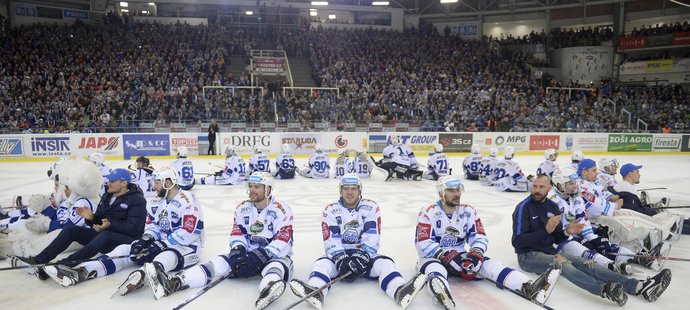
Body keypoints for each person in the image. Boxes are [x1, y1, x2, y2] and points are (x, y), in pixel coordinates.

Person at [40, 167, 204, 297]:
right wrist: (147, 239)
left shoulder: (188, 200)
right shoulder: (155, 202)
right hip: (160, 242)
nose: (153, 186)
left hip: (187, 246)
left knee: (167, 255)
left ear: (169, 182)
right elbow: (152, 224)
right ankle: (82, 271)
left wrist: (163, 244)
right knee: (127, 250)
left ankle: (145, 274)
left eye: (157, 182)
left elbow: (190, 231)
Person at [512, 175, 671, 306]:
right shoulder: (523, 208)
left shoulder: (552, 207)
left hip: (550, 251)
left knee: (586, 263)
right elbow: (518, 243)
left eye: (541, 187)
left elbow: (556, 237)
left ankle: (638, 286)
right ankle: (604, 289)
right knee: (563, 264)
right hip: (528, 256)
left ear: (548, 188)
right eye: (535, 186)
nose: (537, 190)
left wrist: (567, 232)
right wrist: (545, 230)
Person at [147, 172, 294, 310]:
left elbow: (284, 238)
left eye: (256, 187)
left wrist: (262, 255)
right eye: (250, 186)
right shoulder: (243, 208)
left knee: (275, 267)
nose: (251, 190)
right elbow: (238, 232)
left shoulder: (281, 210)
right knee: (217, 263)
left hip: (274, 255)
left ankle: (268, 289)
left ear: (268, 189)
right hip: (248, 254)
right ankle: (178, 282)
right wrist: (238, 250)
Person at [415, 176, 561, 309]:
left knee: (490, 265)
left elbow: (479, 236)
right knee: (435, 270)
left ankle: (528, 286)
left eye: (458, 190)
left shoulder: (468, 211)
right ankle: (442, 294)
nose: (456, 194)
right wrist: (444, 255)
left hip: (460, 257)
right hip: (433, 257)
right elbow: (423, 243)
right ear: (441, 193)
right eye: (451, 190)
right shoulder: (428, 211)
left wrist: (475, 253)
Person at [289, 174, 427, 309]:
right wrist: (341, 259)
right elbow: (331, 238)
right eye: (346, 188)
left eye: (354, 188)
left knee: (386, 264)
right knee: (320, 265)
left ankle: (400, 291)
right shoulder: (330, 209)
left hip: (363, 257)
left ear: (360, 190)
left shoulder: (371, 207)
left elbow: (372, 235)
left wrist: (361, 256)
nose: (349, 192)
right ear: (340, 191)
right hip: (339, 257)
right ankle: (316, 292)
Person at [13, 168, 147, 275]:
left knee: (105, 235)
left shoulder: (137, 200)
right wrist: (91, 218)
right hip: (104, 236)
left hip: (127, 241)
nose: (108, 183)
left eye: (112, 181)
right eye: (108, 180)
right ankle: (39, 260)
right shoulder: (107, 195)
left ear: (124, 183)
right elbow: (100, 220)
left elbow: (134, 229)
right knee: (71, 230)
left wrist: (109, 226)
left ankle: (64, 264)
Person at [548, 168, 659, 274]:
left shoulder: (576, 198)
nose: (575, 186)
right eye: (570, 184)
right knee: (581, 249)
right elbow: (554, 231)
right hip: (558, 240)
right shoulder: (552, 201)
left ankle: (637, 257)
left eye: (575, 183)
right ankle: (610, 265)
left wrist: (592, 238)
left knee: (604, 244)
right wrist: (581, 240)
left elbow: (582, 220)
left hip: (573, 234)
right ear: (559, 185)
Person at [1, 159, 101, 258]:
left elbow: (70, 227)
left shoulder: (83, 202)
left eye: (66, 187)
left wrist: (47, 224)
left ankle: (13, 250)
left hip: (78, 236)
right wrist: (44, 211)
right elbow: (59, 218)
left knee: (42, 242)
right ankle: (12, 240)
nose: (63, 189)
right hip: (62, 230)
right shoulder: (69, 199)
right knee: (32, 233)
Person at [614, 163, 688, 238]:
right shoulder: (628, 189)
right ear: (630, 174)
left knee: (671, 217)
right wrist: (653, 211)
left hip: (640, 217)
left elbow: (634, 207)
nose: (639, 175)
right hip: (644, 222)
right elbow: (636, 211)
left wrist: (649, 207)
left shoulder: (621, 186)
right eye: (637, 172)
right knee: (672, 220)